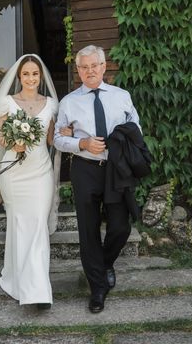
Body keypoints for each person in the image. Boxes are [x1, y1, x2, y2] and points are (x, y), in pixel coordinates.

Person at [54, 45, 141, 313]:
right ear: (78, 70)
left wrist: (122, 143)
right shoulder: (68, 102)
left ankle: (103, 264)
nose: (90, 71)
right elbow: (58, 138)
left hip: (116, 169)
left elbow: (137, 128)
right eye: (84, 67)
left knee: (120, 227)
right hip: (85, 169)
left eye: (95, 65)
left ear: (104, 67)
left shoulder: (121, 96)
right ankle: (98, 288)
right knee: (88, 230)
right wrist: (82, 143)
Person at [0, 54, 70, 310]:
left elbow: (50, 141)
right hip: (14, 175)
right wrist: (16, 142)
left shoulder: (50, 105)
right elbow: (2, 139)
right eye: (26, 74)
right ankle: (17, 278)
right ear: (19, 77)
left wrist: (64, 133)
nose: (31, 78)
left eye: (35, 74)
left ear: (41, 77)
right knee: (19, 226)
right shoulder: (6, 102)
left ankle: (37, 290)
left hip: (40, 173)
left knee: (36, 226)